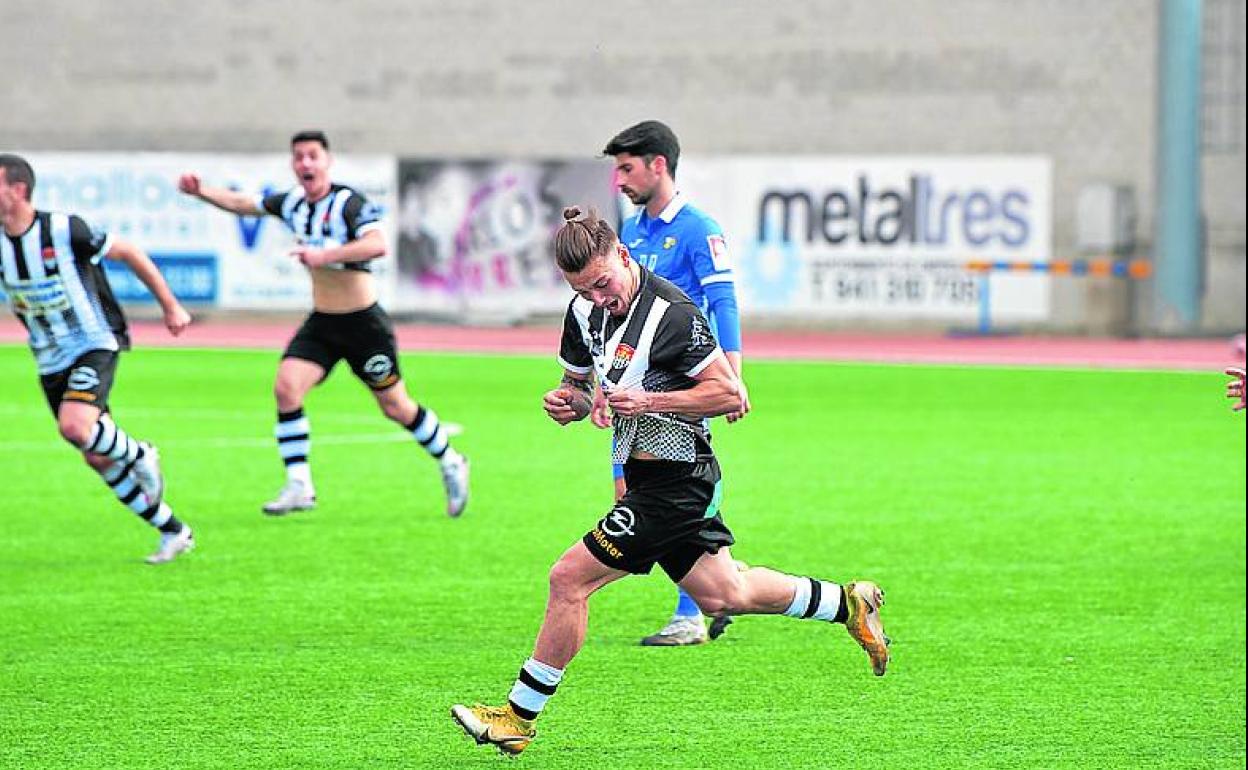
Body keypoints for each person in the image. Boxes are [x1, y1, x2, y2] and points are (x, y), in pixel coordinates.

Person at [450, 207, 888, 757]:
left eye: (604, 283)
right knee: (723, 593)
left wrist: (653, 400)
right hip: (645, 477)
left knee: (568, 579)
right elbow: (580, 384)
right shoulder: (583, 312)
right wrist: (570, 401)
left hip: (678, 482)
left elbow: (729, 393)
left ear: (624, 256)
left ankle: (517, 717)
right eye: (584, 289)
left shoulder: (674, 316)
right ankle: (847, 603)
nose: (598, 297)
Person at [177, 131, 469, 516]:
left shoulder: (349, 203)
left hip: (364, 326)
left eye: (313, 155)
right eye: (298, 157)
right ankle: (299, 485)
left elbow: (377, 244)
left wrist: (325, 255)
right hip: (324, 323)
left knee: (395, 406)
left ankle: (450, 459)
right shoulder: (294, 203)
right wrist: (202, 193)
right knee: (286, 388)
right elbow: (244, 204)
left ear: (327, 161)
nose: (305, 163)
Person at [599, 120, 751, 646]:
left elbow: (724, 302)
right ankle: (723, 577)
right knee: (633, 488)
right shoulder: (633, 233)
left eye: (627, 168)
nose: (619, 180)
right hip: (633, 390)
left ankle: (691, 612)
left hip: (681, 386)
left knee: (656, 491)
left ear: (657, 165)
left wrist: (732, 375)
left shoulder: (697, 229)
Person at [0, 153, 194, 564]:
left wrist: (171, 306)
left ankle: (142, 454)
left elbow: (129, 252)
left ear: (17, 190)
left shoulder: (65, 229)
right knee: (96, 455)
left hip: (93, 341)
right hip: (49, 358)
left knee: (75, 427)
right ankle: (173, 530)